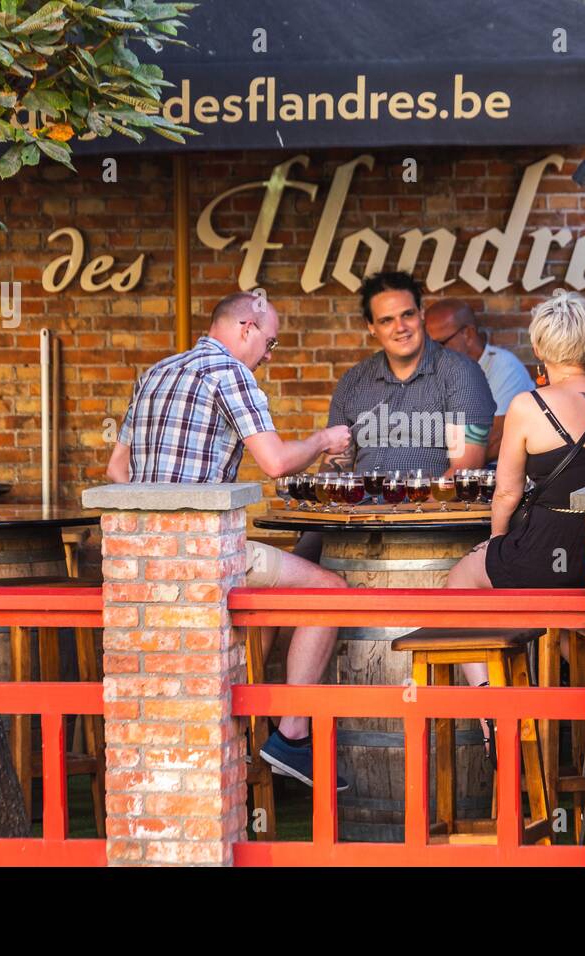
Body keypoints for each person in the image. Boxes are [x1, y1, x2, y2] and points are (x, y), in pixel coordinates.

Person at [105, 290, 354, 791]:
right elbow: (277, 462)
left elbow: (116, 470)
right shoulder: (232, 374)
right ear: (246, 327)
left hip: (142, 559)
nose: (269, 354)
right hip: (202, 552)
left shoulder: (156, 373)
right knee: (330, 592)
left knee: (265, 606)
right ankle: (291, 736)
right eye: (271, 342)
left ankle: (243, 729)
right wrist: (325, 441)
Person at [444, 290, 585, 757]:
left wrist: (497, 546)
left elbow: (506, 492)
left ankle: (492, 709)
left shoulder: (528, 405)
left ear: (538, 349)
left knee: (461, 581)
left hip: (542, 552)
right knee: (560, 619)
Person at [319, 271, 496, 478]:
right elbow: (335, 467)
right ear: (371, 327)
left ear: (421, 313)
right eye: (386, 320)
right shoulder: (352, 381)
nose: (400, 327)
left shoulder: (461, 373)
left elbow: (464, 472)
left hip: (431, 508)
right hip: (361, 507)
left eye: (407, 314)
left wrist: (409, 508)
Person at [424, 298, 536, 463]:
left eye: (440, 343)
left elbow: (495, 441)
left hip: (492, 477)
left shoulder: (504, 367)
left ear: (468, 334)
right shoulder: (435, 371)